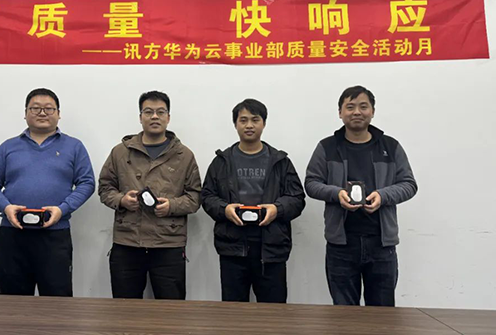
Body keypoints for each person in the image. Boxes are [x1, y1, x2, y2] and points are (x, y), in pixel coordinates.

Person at [305, 85, 418, 306]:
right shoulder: (327, 147)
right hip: (341, 244)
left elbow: (409, 184)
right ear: (340, 112)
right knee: (344, 313)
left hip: (381, 244)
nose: (357, 112)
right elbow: (311, 183)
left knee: (382, 312)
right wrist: (337, 194)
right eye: (350, 107)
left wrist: (382, 196)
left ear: (372, 111)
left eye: (363, 106)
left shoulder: (390, 146)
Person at [0, 88, 95, 296]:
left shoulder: (74, 146)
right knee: (11, 300)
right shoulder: (8, 147)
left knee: (56, 300)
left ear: (58, 114)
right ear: (25, 113)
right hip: (12, 235)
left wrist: (63, 209)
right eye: (35, 108)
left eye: (49, 108)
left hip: (55, 235)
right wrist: (6, 207)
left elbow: (87, 183)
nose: (42, 113)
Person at [98, 90, 201, 299]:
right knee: (124, 308)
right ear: (140, 117)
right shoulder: (120, 152)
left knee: (171, 308)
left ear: (168, 117)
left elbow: (195, 197)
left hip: (168, 243)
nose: (155, 116)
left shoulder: (184, 155)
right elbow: (105, 188)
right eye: (148, 112)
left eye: (160, 112)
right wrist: (122, 200)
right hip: (127, 242)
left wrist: (171, 206)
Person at [202, 98, 305, 303]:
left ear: (264, 123)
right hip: (233, 247)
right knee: (233, 310)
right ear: (235, 124)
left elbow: (297, 198)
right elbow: (207, 196)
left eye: (255, 120)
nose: (249, 125)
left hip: (271, 248)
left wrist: (277, 209)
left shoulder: (280, 161)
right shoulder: (222, 161)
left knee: (273, 311)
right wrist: (224, 209)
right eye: (243, 120)